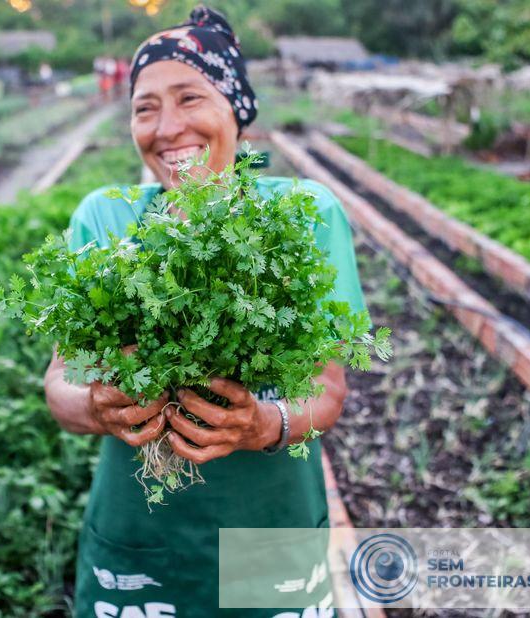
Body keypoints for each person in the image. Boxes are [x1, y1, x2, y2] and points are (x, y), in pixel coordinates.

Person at [43, 6, 367, 617]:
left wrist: (261, 424)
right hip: (139, 537)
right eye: (145, 107)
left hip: (266, 533)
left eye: (190, 97)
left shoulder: (302, 215)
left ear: (235, 111)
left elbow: (326, 393)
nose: (167, 128)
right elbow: (60, 382)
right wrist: (93, 403)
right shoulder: (105, 218)